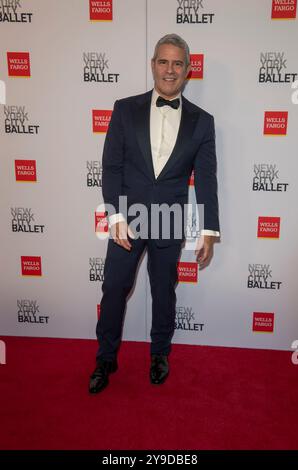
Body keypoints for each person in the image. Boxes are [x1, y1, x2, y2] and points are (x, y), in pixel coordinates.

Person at [89, 33, 220, 394]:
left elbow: (206, 178)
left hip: (169, 218)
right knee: (114, 288)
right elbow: (111, 166)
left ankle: (160, 354)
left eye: (178, 63)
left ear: (188, 70)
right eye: (163, 61)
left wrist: (209, 229)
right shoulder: (123, 108)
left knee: (164, 291)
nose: (170, 69)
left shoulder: (202, 122)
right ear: (152, 65)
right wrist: (115, 216)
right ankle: (105, 357)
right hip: (127, 218)